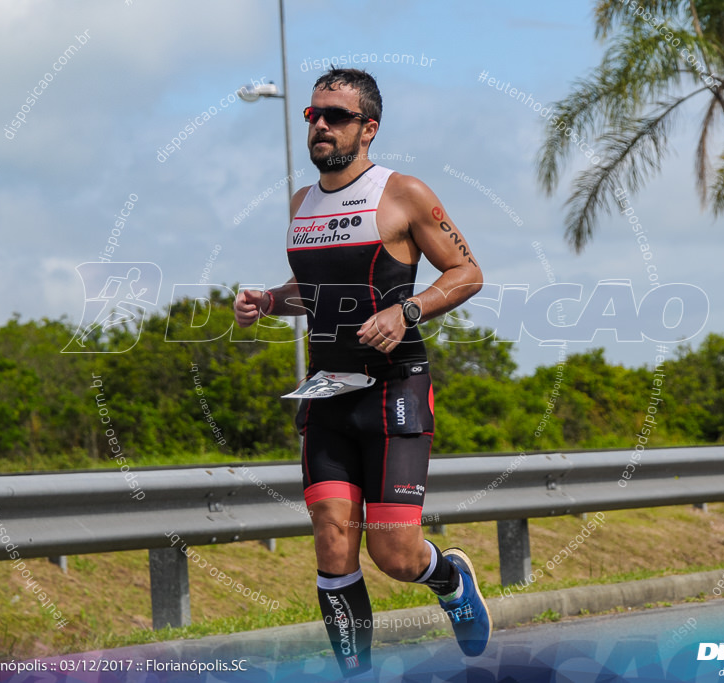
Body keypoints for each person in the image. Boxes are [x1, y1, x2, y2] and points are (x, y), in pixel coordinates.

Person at [234, 67, 489, 678]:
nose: (319, 125)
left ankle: (450, 579)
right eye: (313, 115)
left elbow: (467, 273)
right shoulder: (302, 203)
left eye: (335, 117)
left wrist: (406, 311)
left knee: (394, 553)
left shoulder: (402, 193)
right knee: (331, 540)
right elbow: (316, 289)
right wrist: (270, 300)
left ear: (368, 128)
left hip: (394, 390)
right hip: (327, 392)